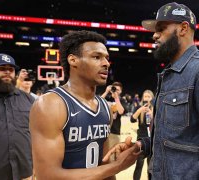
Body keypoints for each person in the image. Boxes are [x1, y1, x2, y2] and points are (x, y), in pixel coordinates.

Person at [104, 2, 199, 179]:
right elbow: (176, 139)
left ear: (183, 28)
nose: (154, 35)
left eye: (161, 29)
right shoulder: (169, 75)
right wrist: (142, 145)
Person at [29, 30, 140, 179]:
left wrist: (114, 160)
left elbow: (103, 165)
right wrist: (117, 166)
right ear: (73, 60)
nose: (106, 63)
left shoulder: (105, 107)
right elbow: (48, 175)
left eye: (107, 58)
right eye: (96, 57)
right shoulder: (50, 104)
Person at [130, 90, 154, 180]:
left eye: (149, 96)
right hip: (141, 141)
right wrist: (140, 110)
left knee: (151, 167)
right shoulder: (139, 108)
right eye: (145, 96)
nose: (146, 98)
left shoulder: (155, 108)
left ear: (152, 98)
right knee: (139, 166)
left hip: (152, 141)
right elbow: (132, 120)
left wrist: (152, 115)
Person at [101, 82, 126, 150]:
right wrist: (106, 91)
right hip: (103, 131)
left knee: (113, 157)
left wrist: (116, 98)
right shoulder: (107, 98)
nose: (115, 91)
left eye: (118, 90)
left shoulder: (122, 100)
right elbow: (98, 104)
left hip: (114, 132)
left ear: (121, 91)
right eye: (114, 89)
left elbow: (121, 111)